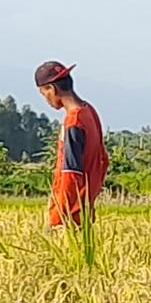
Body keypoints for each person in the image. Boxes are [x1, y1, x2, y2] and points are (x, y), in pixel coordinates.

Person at [33, 60, 110, 227]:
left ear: (51, 89)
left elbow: (71, 173)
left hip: (69, 215)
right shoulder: (89, 111)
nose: (45, 99)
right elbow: (102, 160)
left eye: (43, 93)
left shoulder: (74, 122)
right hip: (85, 212)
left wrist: (58, 219)